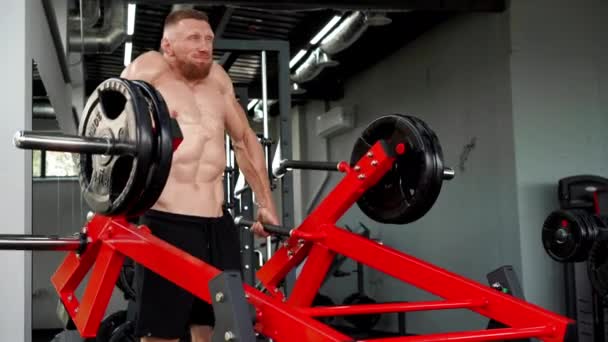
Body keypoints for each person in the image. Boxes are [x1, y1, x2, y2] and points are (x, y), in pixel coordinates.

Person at [119, 9, 279, 342]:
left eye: (208, 39)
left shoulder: (218, 81)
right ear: (168, 45)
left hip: (216, 224)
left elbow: (244, 140)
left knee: (216, 329)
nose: (204, 45)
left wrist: (266, 202)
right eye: (193, 38)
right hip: (165, 222)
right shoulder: (149, 70)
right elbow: (115, 121)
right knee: (160, 333)